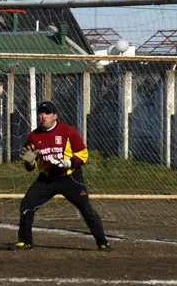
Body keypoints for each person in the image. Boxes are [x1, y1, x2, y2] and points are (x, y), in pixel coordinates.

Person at [16, 101, 111, 251]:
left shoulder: (67, 131)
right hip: (47, 179)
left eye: (47, 113)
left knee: (86, 209)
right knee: (27, 205)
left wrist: (67, 163)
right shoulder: (34, 136)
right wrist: (29, 162)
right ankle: (25, 241)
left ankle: (102, 242)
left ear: (55, 116)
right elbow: (30, 167)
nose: (43, 116)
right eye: (41, 113)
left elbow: (83, 154)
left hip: (70, 177)